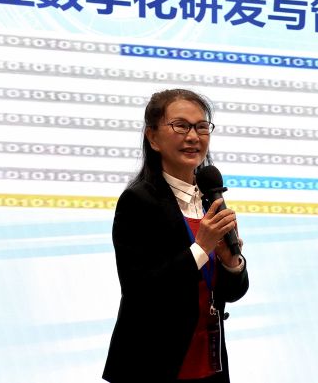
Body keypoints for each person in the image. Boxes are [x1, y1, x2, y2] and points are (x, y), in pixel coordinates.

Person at [103, 88, 249, 383]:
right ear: (153, 138)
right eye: (181, 126)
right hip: (153, 364)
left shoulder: (209, 199)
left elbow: (232, 293)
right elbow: (140, 292)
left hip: (209, 363)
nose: (193, 136)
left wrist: (231, 263)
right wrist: (201, 248)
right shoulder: (138, 201)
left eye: (201, 127)